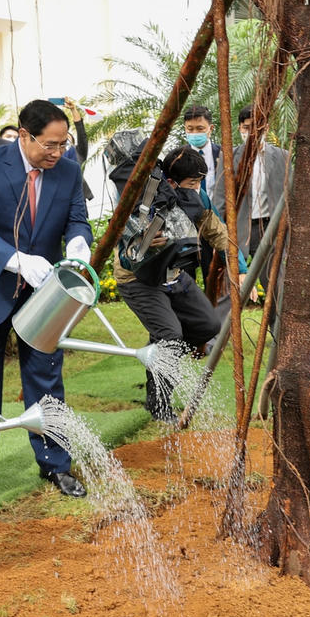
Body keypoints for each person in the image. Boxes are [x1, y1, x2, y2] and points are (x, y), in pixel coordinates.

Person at [0, 99, 92, 506]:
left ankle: (56, 465)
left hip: (43, 297)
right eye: (50, 144)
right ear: (26, 135)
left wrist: (80, 242)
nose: (58, 152)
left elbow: (77, 219)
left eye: (63, 144)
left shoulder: (67, 169)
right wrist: (16, 261)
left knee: (47, 381)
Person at [116, 145, 248, 420]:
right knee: (170, 335)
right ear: (172, 181)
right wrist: (145, 244)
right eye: (193, 183)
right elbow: (127, 257)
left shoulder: (196, 200)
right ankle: (160, 404)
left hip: (173, 275)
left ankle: (160, 352)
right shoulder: (148, 198)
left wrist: (241, 268)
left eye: (201, 182)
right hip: (137, 279)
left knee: (207, 326)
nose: (198, 188)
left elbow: (217, 232)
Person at [215, 105, 289, 278]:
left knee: (273, 279)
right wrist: (219, 230)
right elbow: (220, 197)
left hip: (269, 227)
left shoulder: (282, 156)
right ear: (240, 128)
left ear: (266, 128)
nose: (252, 132)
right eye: (247, 127)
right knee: (231, 281)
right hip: (239, 227)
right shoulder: (229, 157)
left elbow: (289, 196)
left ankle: (274, 306)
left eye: (258, 127)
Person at [182, 104, 222, 283]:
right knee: (186, 273)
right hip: (187, 224)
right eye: (190, 129)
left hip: (214, 221)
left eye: (200, 129)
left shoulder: (223, 154)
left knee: (213, 274)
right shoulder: (178, 157)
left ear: (210, 129)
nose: (195, 133)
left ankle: (214, 309)